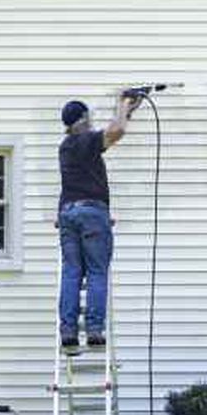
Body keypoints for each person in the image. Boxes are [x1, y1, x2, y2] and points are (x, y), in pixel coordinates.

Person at [57, 93, 141, 352]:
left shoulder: (66, 145)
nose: (92, 123)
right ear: (82, 120)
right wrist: (123, 105)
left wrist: (127, 111)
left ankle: (68, 331)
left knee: (72, 272)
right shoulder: (86, 140)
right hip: (92, 214)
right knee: (96, 271)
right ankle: (94, 330)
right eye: (89, 118)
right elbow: (116, 132)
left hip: (68, 213)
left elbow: (74, 183)